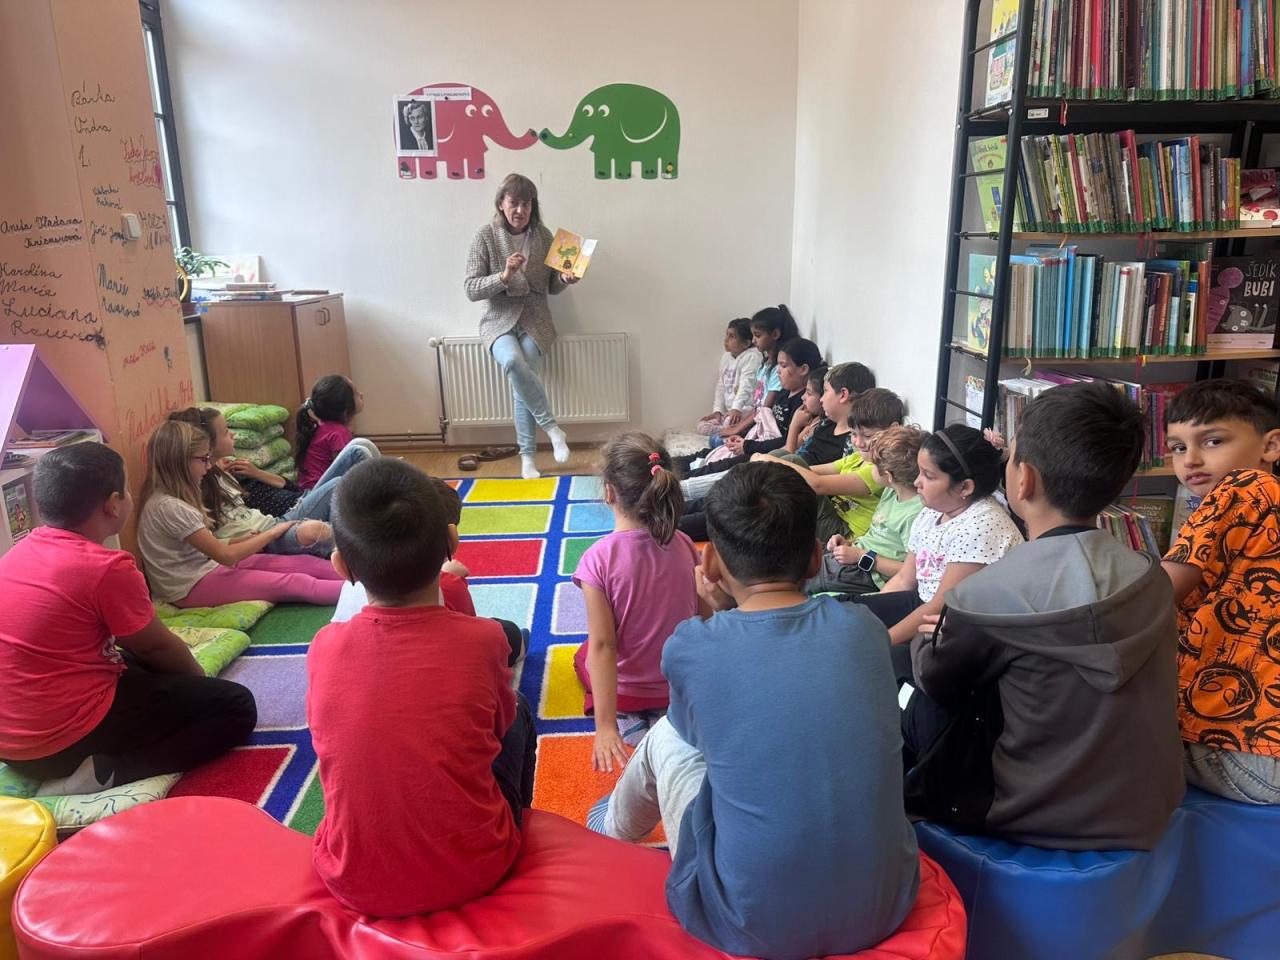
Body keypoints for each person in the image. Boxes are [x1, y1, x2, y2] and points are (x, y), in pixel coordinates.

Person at [587, 462, 919, 959]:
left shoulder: (691, 647)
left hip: (747, 921)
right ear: (814, 558)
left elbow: (703, 734)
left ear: (710, 562)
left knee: (667, 737)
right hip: (884, 905)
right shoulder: (864, 629)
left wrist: (716, 610)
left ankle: (610, 830)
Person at [901, 382, 1184, 848]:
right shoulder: (1151, 577)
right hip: (1147, 804)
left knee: (912, 693)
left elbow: (938, 680)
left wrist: (925, 639)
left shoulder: (987, 593)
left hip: (1029, 813)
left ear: (1024, 480)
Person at [308, 458, 536, 916]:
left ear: (341, 566)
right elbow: (495, 732)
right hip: (476, 868)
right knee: (520, 711)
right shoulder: (484, 640)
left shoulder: (324, 646)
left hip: (352, 878)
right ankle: (521, 822)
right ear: (451, 542)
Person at [0, 444, 255, 796]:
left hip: (11, 745)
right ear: (113, 503)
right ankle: (110, 773)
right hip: (60, 745)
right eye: (128, 490)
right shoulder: (106, 567)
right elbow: (156, 648)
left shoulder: (17, 553)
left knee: (132, 664)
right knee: (236, 706)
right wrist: (200, 685)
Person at [1161, 379, 1280, 804]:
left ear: (1271, 446)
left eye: (1212, 441)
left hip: (1246, 754)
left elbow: (1155, 597)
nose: (1191, 460)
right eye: (1178, 448)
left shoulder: (1244, 486)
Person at [573, 434, 699, 771]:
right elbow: (701, 621)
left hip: (627, 694)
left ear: (609, 493)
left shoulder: (597, 560)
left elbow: (603, 646)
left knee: (583, 654)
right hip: (676, 686)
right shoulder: (685, 543)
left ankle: (628, 723)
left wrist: (604, 728)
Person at [330, 476, 527, 676]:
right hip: (439, 668)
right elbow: (468, 640)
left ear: (342, 564)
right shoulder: (450, 586)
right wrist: (451, 580)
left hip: (372, 672)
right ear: (451, 539)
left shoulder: (326, 642)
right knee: (503, 634)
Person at [137, 421, 344, 607]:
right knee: (295, 582)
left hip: (208, 565)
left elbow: (210, 547)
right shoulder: (170, 507)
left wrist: (244, 540)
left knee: (302, 563)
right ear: (180, 462)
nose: (208, 466)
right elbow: (226, 556)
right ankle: (361, 595)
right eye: (203, 459)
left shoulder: (175, 498)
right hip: (190, 586)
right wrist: (271, 533)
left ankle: (358, 576)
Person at [852, 424, 1023, 644]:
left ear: (965, 487)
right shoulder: (932, 511)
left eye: (928, 476)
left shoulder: (981, 527)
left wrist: (881, 644)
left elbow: (940, 605)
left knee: (869, 653)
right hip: (923, 603)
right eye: (919, 471)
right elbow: (905, 579)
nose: (916, 482)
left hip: (958, 627)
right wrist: (867, 617)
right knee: (846, 613)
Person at [465, 173, 580, 480]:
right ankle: (553, 429)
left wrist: (565, 279)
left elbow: (552, 285)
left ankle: (527, 458)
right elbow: (471, 288)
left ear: (533, 206)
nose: (520, 210)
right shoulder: (485, 236)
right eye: (514, 203)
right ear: (501, 204)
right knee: (514, 363)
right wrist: (504, 276)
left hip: (536, 320)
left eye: (526, 204)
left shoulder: (544, 236)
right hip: (498, 321)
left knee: (522, 383)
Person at [170, 407, 334, 558]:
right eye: (226, 432)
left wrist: (256, 473)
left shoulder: (225, 473)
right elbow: (213, 542)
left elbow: (291, 487)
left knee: (341, 479)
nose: (233, 435)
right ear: (209, 445)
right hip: (268, 533)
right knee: (321, 520)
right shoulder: (197, 486)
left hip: (280, 518)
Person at [758, 386, 905, 542]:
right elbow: (814, 470)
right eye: (854, 434)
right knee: (787, 459)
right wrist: (774, 462)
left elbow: (818, 484)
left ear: (893, 430)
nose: (858, 443)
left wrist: (768, 461)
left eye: (867, 436)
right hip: (832, 513)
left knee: (789, 464)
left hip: (843, 532)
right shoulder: (858, 458)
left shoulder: (879, 470)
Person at [807, 425, 926, 596]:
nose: (870, 468)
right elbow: (877, 537)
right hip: (855, 557)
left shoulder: (915, 514)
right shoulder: (890, 492)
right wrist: (849, 544)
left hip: (867, 574)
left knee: (797, 580)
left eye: (874, 465)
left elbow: (910, 572)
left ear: (889, 475)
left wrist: (862, 556)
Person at [693, 305, 800, 445]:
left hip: (762, 423)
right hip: (753, 418)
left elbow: (764, 409)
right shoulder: (764, 365)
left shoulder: (776, 370)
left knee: (719, 441)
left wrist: (737, 428)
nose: (754, 340)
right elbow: (757, 406)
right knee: (713, 436)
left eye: (758, 335)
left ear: (775, 334)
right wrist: (734, 425)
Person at [295, 375, 380, 492]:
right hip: (319, 494)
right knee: (360, 452)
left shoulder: (322, 427)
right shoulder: (338, 433)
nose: (361, 394)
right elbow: (347, 470)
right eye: (356, 394)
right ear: (345, 410)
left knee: (365, 447)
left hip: (311, 491)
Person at [696, 318, 761, 442]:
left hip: (745, 409)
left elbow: (747, 384)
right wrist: (718, 411)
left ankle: (730, 431)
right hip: (729, 412)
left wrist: (736, 408)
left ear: (746, 343)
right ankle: (724, 431)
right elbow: (721, 386)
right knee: (702, 426)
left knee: (728, 421)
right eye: (726, 335)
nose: (726, 340)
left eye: (732, 336)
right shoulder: (726, 357)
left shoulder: (752, 356)